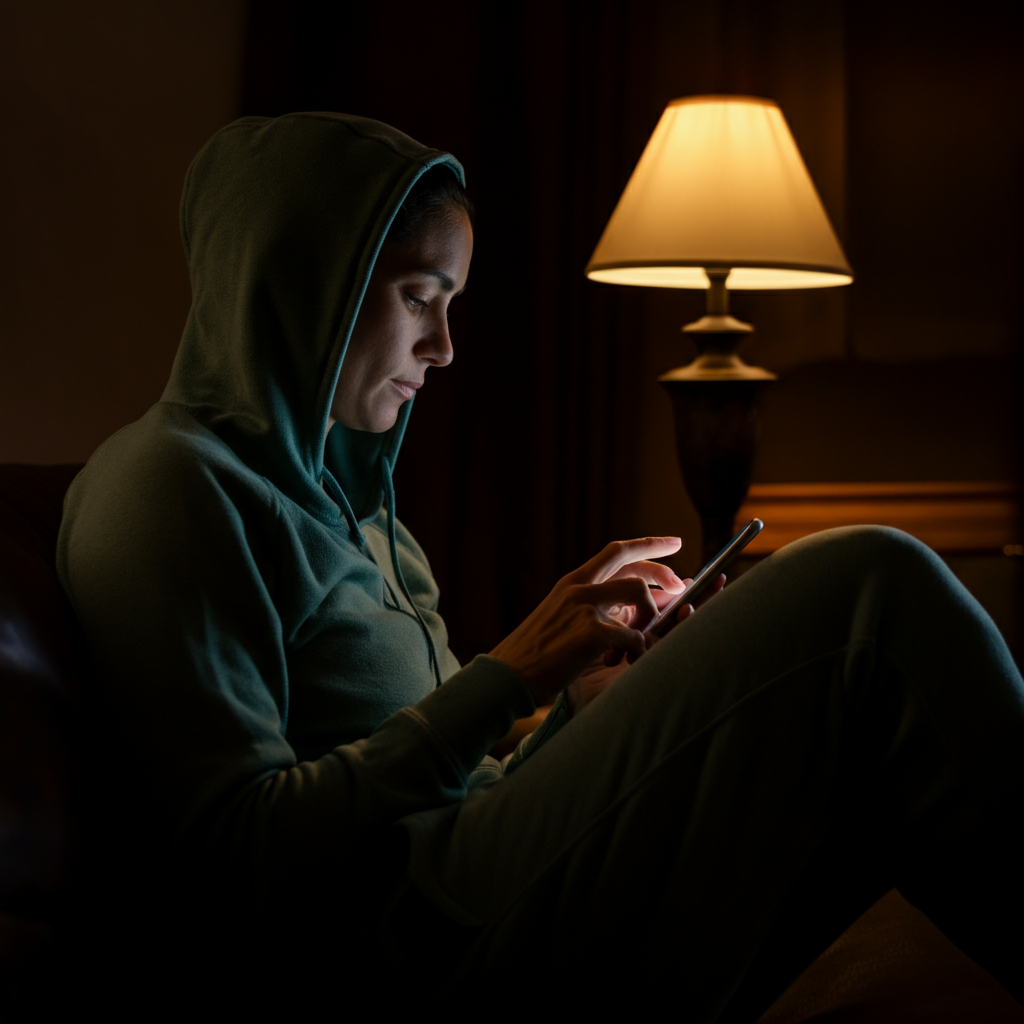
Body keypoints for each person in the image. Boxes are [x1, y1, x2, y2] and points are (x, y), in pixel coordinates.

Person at [57, 113, 1023, 1016]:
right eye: (418, 299)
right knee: (863, 581)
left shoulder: (369, 520)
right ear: (305, 280)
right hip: (404, 962)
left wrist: (579, 705)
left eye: (453, 306)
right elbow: (234, 862)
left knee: (845, 729)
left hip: (475, 892)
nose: (442, 348)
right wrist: (513, 669)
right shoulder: (167, 487)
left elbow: (459, 784)